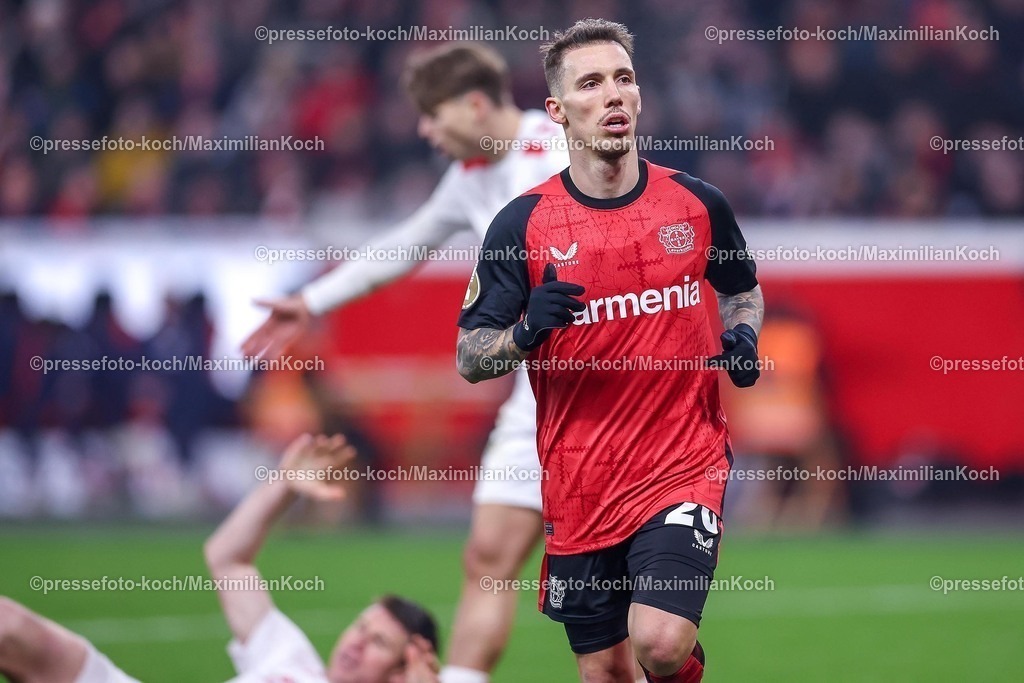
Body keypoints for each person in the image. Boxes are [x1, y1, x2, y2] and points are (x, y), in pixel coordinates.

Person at [241, 42, 569, 683]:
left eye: (431, 114)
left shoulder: (556, 150)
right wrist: (310, 300)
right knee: (487, 559)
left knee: (604, 589)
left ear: (475, 104)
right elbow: (405, 243)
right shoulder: (474, 173)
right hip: (537, 389)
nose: (424, 130)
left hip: (607, 388)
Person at [456, 19, 764, 683]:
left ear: (641, 96)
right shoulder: (522, 225)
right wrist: (523, 333)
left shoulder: (696, 203)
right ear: (559, 111)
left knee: (658, 640)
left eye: (623, 78)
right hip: (580, 481)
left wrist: (744, 334)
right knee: (606, 668)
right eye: (592, 83)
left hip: (682, 461)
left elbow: (742, 290)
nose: (613, 94)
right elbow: (470, 354)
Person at [0, 433, 441, 683]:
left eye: (379, 643)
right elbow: (229, 560)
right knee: (11, 627)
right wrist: (282, 487)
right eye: (362, 627)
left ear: (401, 677)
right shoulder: (292, 658)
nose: (358, 642)